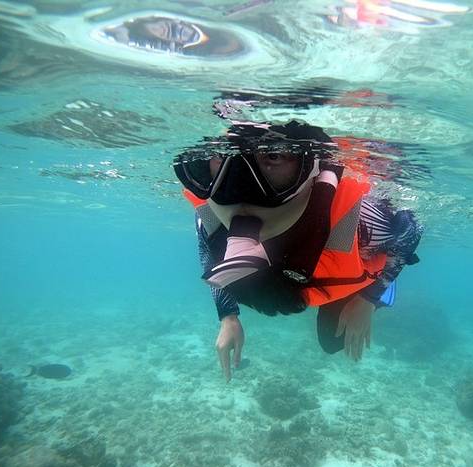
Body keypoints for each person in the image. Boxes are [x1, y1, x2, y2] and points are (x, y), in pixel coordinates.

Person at [174, 119, 422, 381]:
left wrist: (227, 316)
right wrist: (368, 299)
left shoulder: (218, 219)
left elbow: (213, 259)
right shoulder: (352, 228)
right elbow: (410, 230)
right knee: (333, 341)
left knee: (332, 340)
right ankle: (376, 292)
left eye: (273, 156)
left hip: (332, 274)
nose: (236, 195)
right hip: (352, 272)